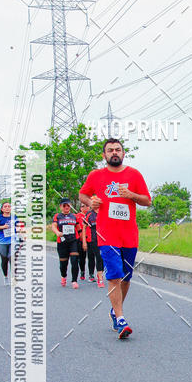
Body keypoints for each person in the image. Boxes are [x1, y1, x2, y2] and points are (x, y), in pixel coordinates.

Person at [79, 138, 151, 339]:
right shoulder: (96, 176)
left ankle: (114, 310)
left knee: (126, 277)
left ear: (123, 153)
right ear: (104, 155)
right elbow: (83, 195)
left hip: (129, 234)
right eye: (110, 150)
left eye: (117, 149)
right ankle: (120, 319)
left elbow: (147, 201)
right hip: (106, 234)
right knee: (114, 274)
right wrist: (91, 201)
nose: (114, 153)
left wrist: (131, 195)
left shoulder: (134, 174)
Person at [51, 199, 81, 288]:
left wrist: (83, 241)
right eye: (64, 206)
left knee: (75, 260)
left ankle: (74, 281)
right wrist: (57, 233)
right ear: (61, 207)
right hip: (62, 242)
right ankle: (63, 276)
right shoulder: (58, 216)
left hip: (73, 241)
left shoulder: (74, 216)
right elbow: (53, 226)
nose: (66, 207)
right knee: (63, 264)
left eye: (68, 205)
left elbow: (79, 228)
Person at [0, 202, 16, 284]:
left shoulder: (14, 217)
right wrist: (3, 227)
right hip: (2, 242)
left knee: (12, 259)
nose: (7, 208)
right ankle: (5, 277)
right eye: (5, 206)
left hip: (13, 241)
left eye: (9, 206)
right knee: (4, 260)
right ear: (2, 209)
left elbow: (19, 226)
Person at [81, 206, 105, 287]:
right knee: (97, 257)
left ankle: (100, 274)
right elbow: (84, 227)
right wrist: (84, 241)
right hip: (93, 240)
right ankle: (100, 279)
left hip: (103, 239)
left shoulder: (104, 212)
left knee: (102, 258)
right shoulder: (89, 214)